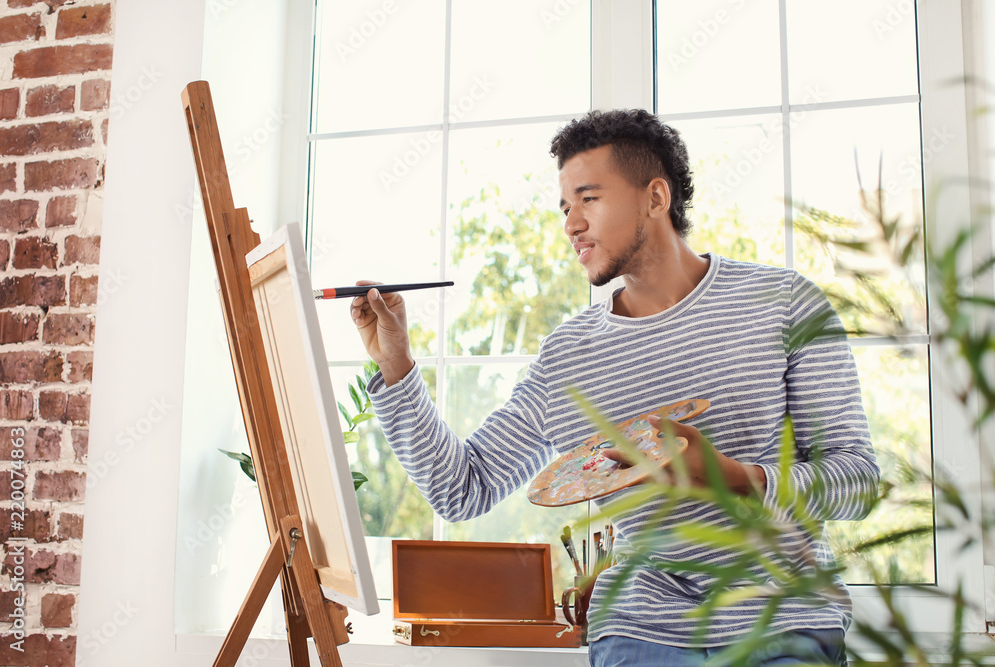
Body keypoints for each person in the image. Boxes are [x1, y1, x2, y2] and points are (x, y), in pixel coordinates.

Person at [349, 109, 878, 666]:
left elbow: (859, 483)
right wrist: (396, 363)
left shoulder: (783, 303)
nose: (571, 224)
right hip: (640, 628)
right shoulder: (568, 357)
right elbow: (462, 488)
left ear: (656, 197)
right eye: (565, 207)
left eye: (589, 199)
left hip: (782, 617)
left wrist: (732, 477)